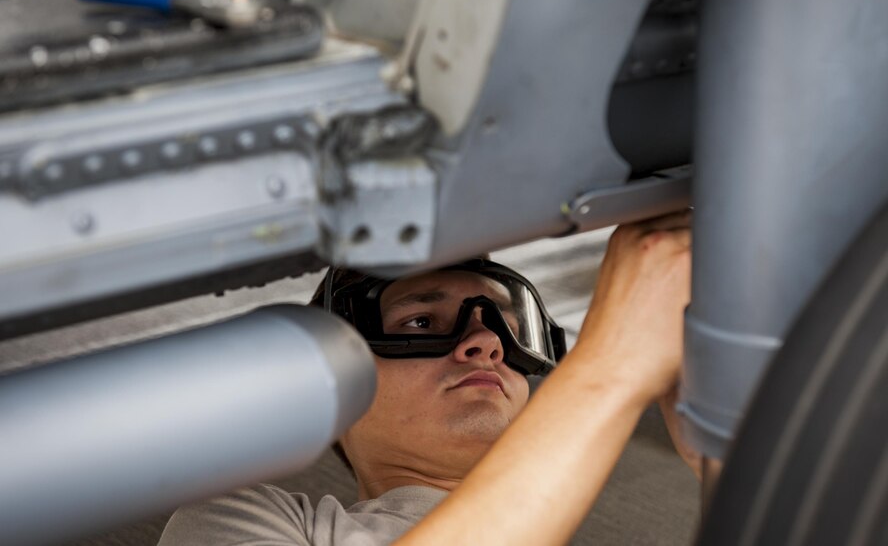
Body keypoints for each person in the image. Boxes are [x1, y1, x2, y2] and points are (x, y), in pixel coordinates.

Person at [159, 211, 693, 546]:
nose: (483, 345)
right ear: (334, 384)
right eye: (421, 323)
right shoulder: (242, 519)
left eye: (505, 329)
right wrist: (611, 371)